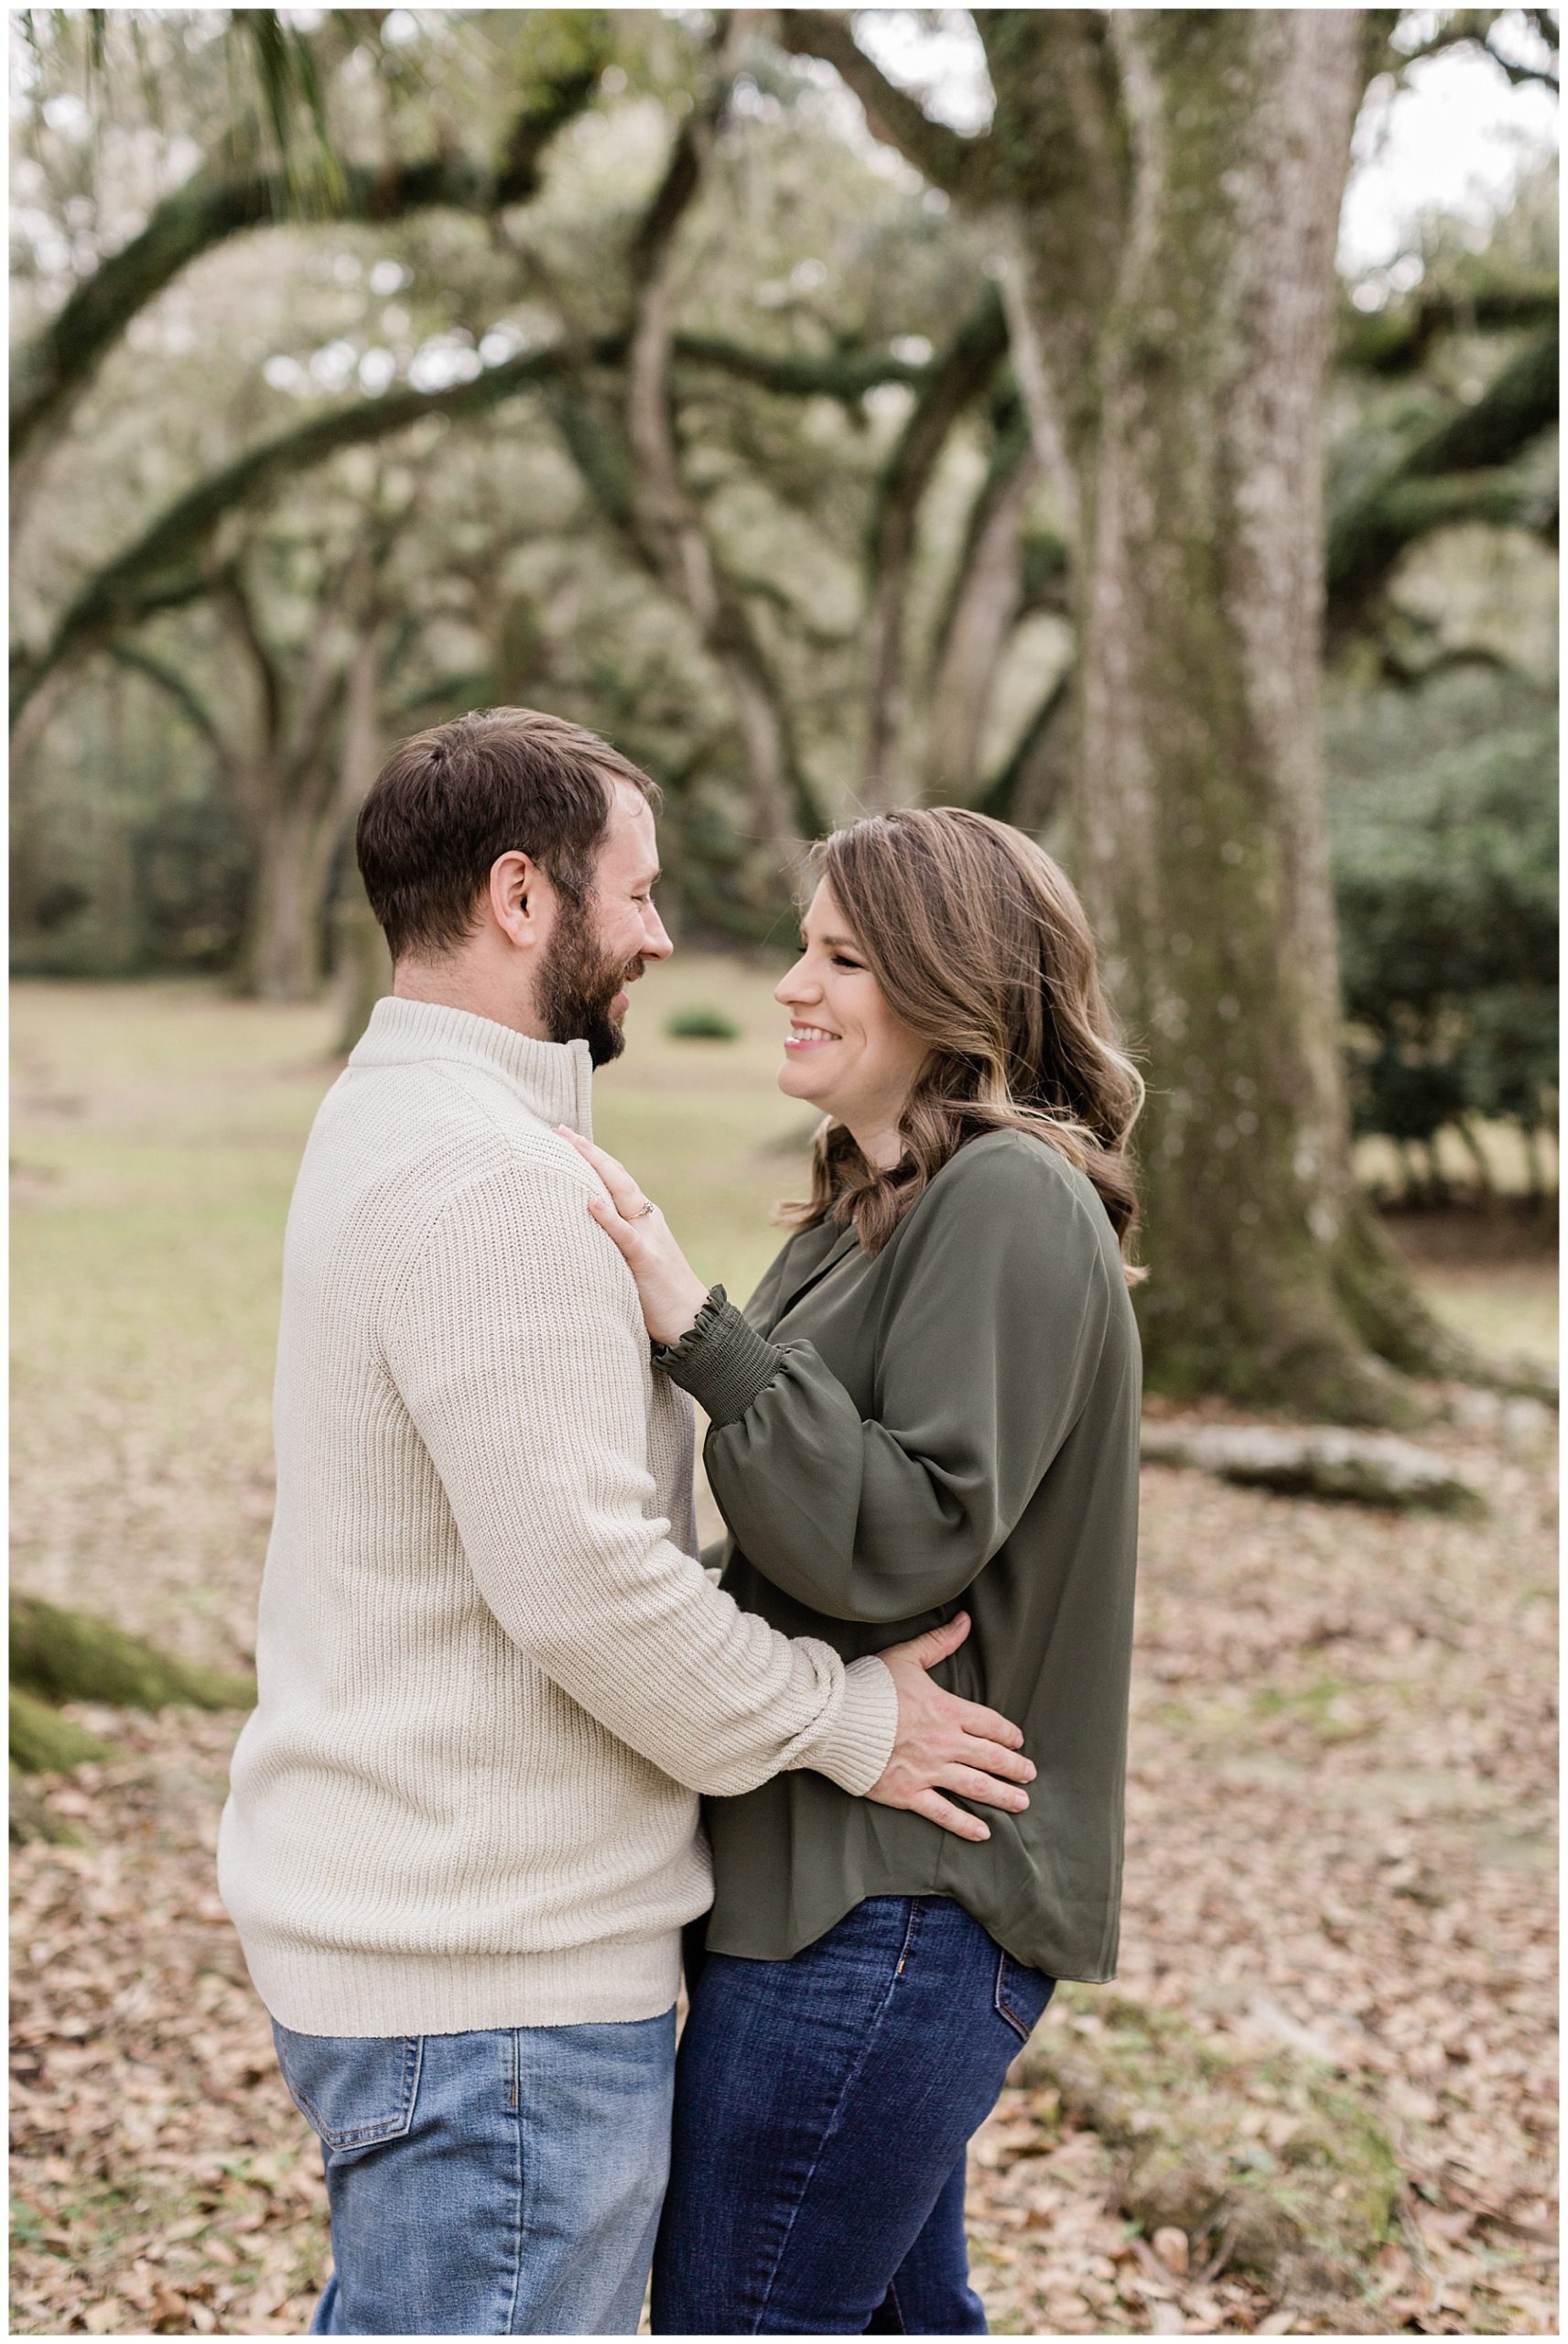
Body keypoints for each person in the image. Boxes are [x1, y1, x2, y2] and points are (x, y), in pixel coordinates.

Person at [215, 713, 1036, 2339]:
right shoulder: (487, 1180)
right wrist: (846, 1719)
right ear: (524, 897)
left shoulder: (405, 1121)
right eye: (637, 892)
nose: (662, 935)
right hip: (492, 1982)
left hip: (440, 1945)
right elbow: (587, 1587)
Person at [567, 805, 1144, 2335]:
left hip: (897, 1906)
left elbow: (899, 1539)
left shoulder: (1009, 1196)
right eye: (801, 948)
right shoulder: (864, 1206)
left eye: (839, 957)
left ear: (947, 986)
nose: (790, 987)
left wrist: (694, 1324)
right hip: (832, 1889)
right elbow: (796, 1541)